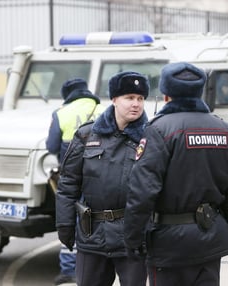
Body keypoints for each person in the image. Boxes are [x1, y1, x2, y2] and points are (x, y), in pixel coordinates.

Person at [124, 62, 228, 286]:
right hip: (210, 238)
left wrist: (133, 239)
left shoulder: (159, 130)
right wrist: (226, 231)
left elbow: (142, 191)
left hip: (168, 245)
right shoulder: (224, 130)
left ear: (166, 95)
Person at [55, 71, 149, 286]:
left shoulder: (151, 137)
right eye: (129, 98)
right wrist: (65, 226)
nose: (135, 104)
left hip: (132, 236)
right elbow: (68, 184)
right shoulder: (87, 135)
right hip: (92, 236)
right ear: (114, 99)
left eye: (140, 98)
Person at [46, 78, 105, 285]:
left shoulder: (62, 113)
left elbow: (52, 146)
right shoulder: (104, 109)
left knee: (71, 218)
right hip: (102, 177)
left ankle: (70, 269)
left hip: (72, 177)